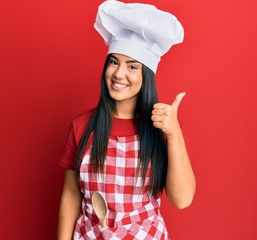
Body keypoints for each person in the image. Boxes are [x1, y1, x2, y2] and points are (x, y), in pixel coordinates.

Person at [57, 1, 196, 239]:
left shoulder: (162, 128)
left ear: (147, 76)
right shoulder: (81, 126)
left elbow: (182, 199)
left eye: (132, 66)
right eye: (114, 62)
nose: (119, 74)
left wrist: (174, 133)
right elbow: (71, 195)